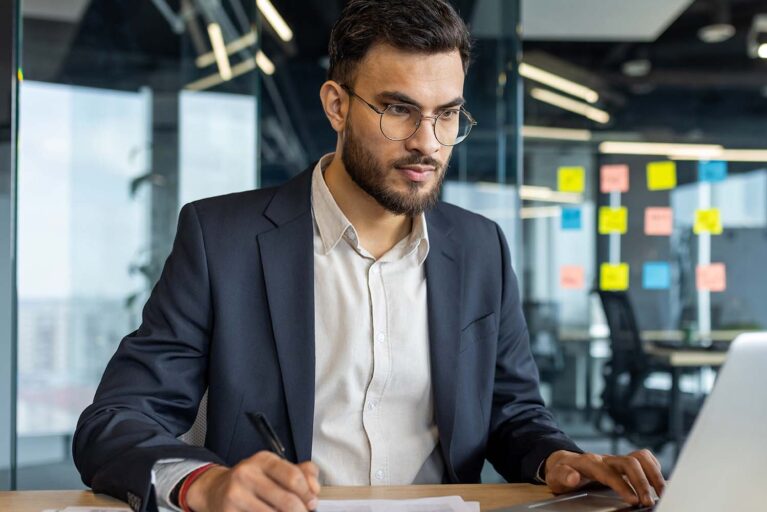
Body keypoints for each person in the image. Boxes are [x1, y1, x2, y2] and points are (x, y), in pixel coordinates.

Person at [73, 1, 665, 511]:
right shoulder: (220, 238)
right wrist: (206, 486)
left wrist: (559, 459)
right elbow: (115, 423)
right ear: (337, 105)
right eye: (398, 109)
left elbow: (512, 415)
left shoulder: (479, 247)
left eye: (447, 114)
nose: (427, 143)